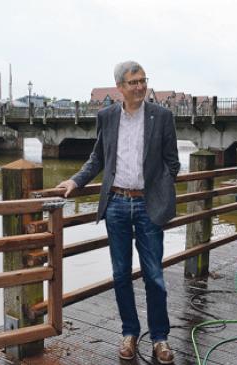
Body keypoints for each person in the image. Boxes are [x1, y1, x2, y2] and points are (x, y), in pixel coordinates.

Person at [56, 61, 180, 364]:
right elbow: (98, 157)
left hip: (148, 204)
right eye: (133, 82)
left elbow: (172, 162)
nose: (140, 87)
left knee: (154, 276)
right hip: (116, 204)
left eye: (143, 81)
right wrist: (75, 180)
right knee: (120, 274)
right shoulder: (107, 116)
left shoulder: (162, 116)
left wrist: (160, 190)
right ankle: (129, 333)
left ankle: (160, 338)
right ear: (120, 87)